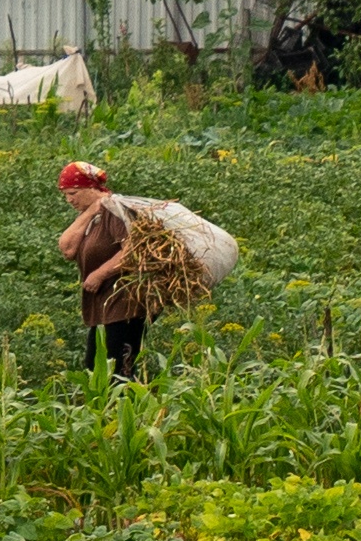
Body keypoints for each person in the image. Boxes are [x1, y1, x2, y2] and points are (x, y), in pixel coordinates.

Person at [53, 156, 239, 377]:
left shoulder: (116, 213)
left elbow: (133, 250)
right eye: (65, 195)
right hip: (105, 304)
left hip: (125, 301)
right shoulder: (96, 214)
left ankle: (126, 408)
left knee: (118, 369)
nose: (68, 200)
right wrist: (92, 211)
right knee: (96, 365)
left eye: (73, 193)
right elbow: (67, 249)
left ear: (92, 188)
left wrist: (99, 275)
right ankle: (108, 408)